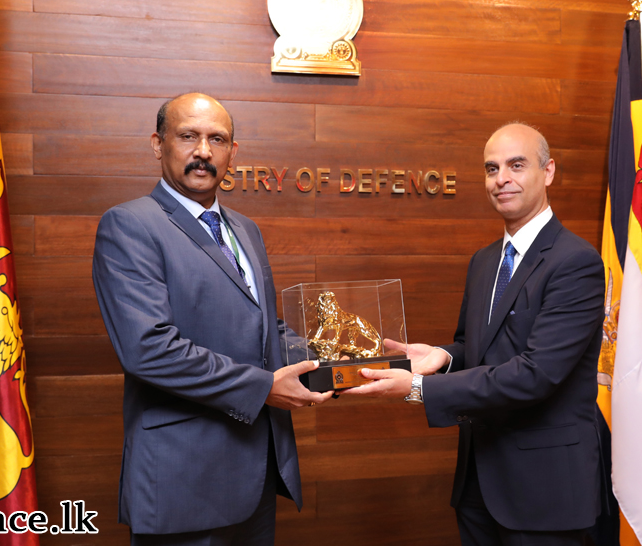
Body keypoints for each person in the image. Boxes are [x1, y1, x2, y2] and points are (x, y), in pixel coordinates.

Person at [345, 123, 605, 545]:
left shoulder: (576, 262)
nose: (501, 178)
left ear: (549, 171)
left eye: (516, 165)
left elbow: (536, 373)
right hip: (478, 483)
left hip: (545, 492)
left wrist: (418, 389)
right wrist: (443, 358)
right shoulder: (485, 261)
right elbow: (477, 348)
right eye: (491, 168)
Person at [92, 93, 332, 546]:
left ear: (232, 153)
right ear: (158, 144)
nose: (203, 150)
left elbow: (264, 330)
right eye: (189, 136)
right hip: (185, 480)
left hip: (256, 475)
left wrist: (337, 359)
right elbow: (149, 350)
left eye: (216, 139)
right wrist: (262, 387)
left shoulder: (244, 229)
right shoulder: (129, 226)